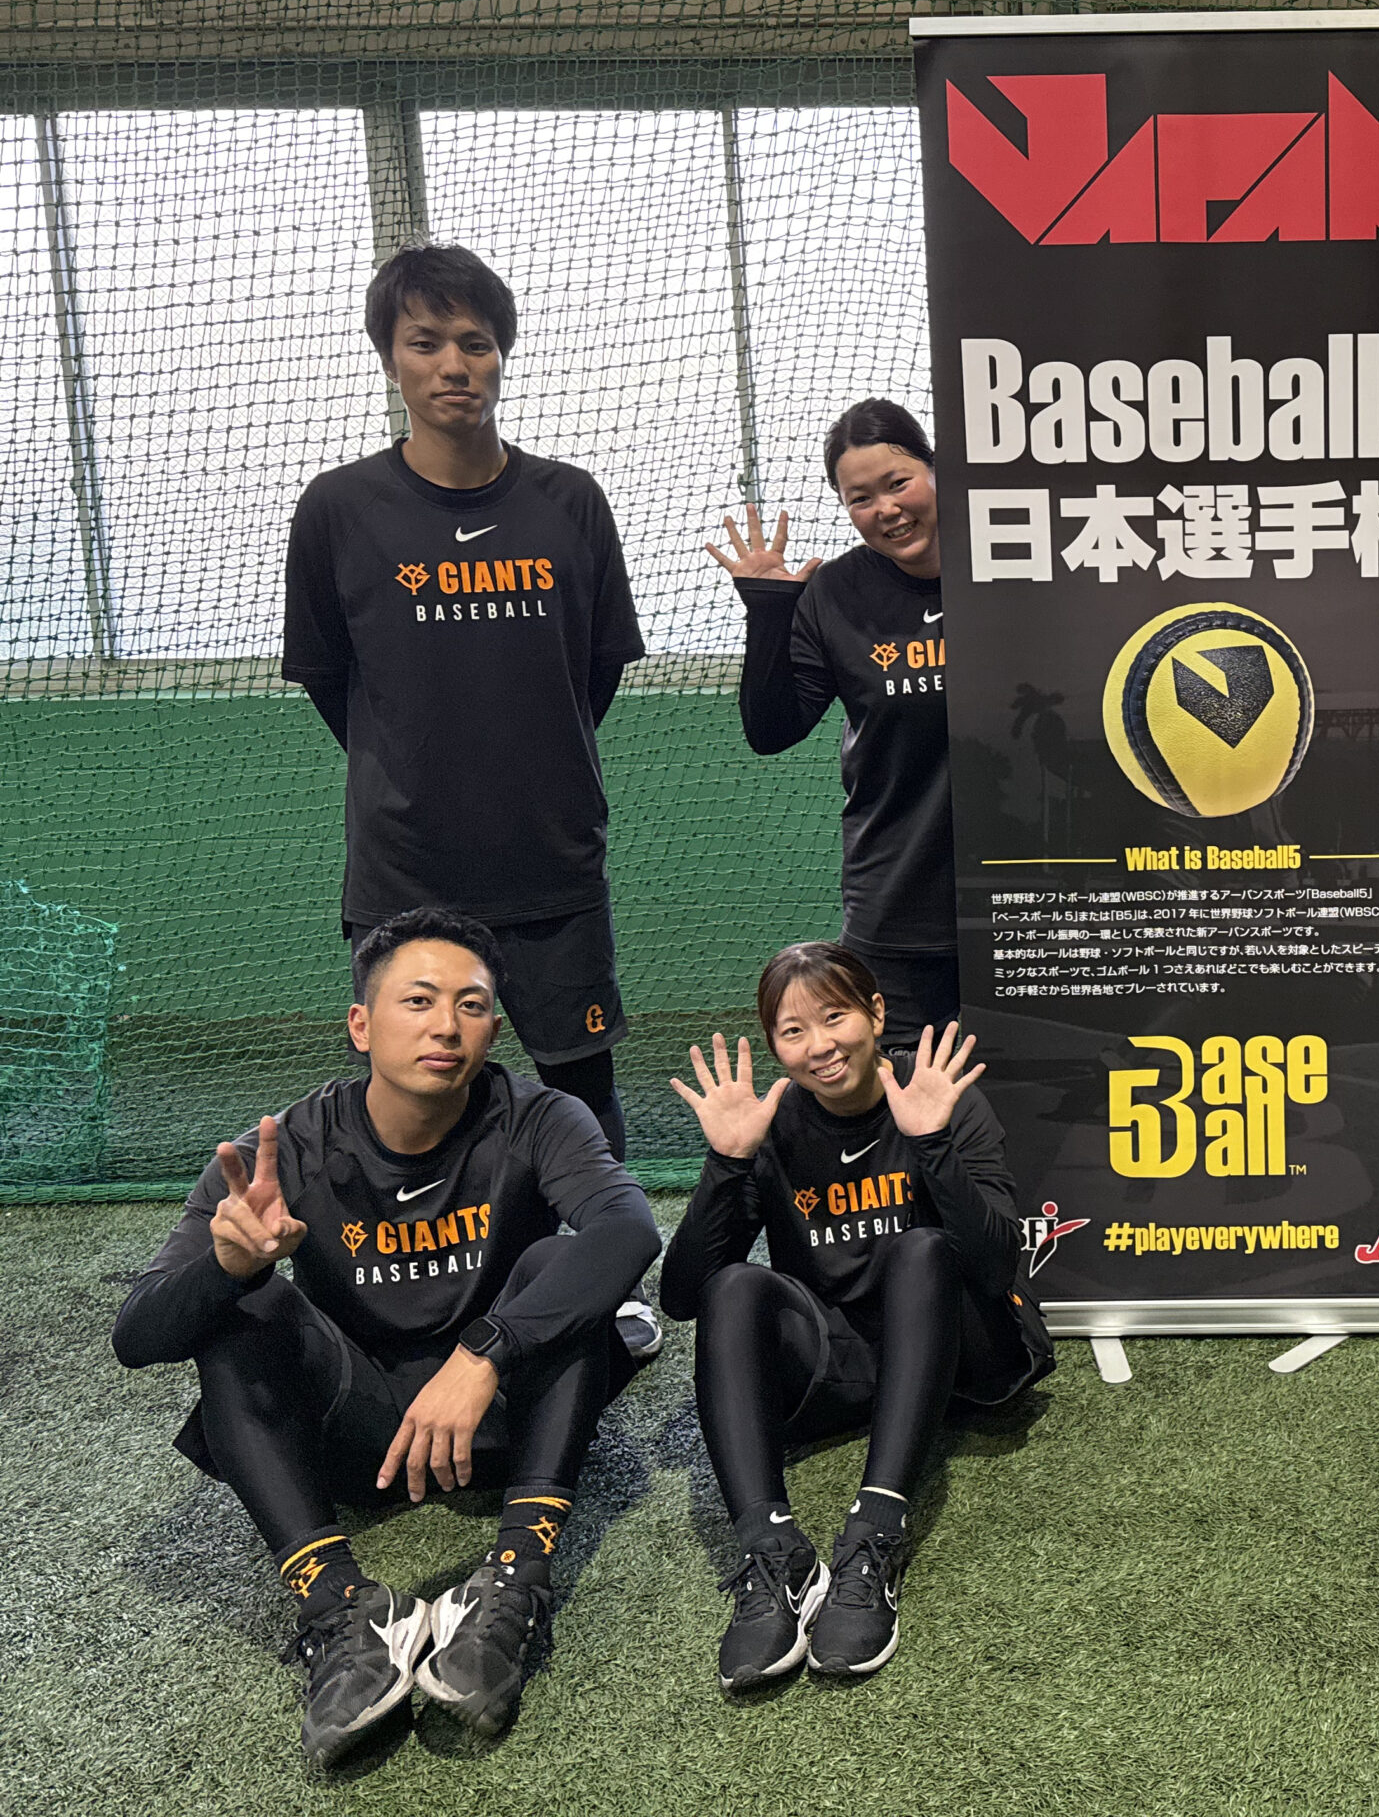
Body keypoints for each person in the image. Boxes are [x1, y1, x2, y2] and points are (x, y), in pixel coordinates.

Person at [110, 910, 661, 1765]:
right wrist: (228, 1268)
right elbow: (136, 1334)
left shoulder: (539, 1116)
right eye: (419, 1001)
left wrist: (486, 1350)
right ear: (361, 1026)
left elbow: (628, 1229)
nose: (447, 1026)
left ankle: (514, 1581)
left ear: (493, 1031)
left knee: (562, 1266)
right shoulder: (287, 1148)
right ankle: (343, 1609)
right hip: (360, 1438)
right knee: (244, 1309)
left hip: (501, 1420)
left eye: (472, 1006)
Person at [280, 243, 659, 1359]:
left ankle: (596, 1286)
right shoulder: (338, 509)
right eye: (427, 342)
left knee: (578, 1086)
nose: (454, 364)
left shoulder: (569, 503)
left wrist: (529, 772)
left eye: (475, 343)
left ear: (502, 355)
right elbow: (333, 683)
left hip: (551, 864)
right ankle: (416, 1308)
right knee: (414, 1093)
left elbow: (595, 672)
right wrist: (415, 771)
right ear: (390, 359)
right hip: (405, 874)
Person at [660, 942, 1052, 1692]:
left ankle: (874, 1535)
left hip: (964, 1350)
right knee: (736, 1286)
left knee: (921, 1249)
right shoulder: (775, 1124)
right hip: (844, 1361)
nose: (820, 1046)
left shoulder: (936, 1095)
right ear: (774, 1045)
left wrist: (932, 1143)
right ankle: (773, 1552)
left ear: (875, 1013)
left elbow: (998, 1265)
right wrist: (728, 1164)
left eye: (834, 1017)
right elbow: (684, 1298)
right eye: (793, 1031)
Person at [707, 400, 958, 1041]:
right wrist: (768, 609)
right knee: (900, 1096)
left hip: (1030, 901)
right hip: (897, 909)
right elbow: (772, 731)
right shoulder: (836, 593)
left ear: (936, 471)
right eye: (860, 498)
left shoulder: (1024, 565)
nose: (886, 509)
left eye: (898, 483)